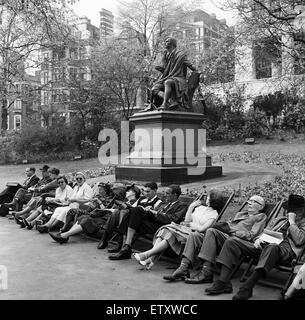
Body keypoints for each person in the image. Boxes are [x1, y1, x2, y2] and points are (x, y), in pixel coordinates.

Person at [163, 195, 267, 283]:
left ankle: (206, 272)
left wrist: (229, 230)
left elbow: (251, 235)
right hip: (224, 236)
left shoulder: (261, 216)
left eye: (254, 202)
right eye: (250, 201)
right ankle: (183, 268)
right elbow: (228, 224)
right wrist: (224, 226)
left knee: (211, 230)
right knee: (195, 235)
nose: (250, 203)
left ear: (261, 206)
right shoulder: (241, 214)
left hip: (235, 240)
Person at [227, 196, 305, 300]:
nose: (290, 213)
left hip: (284, 249)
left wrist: (292, 222)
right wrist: (259, 239)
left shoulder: (303, 223)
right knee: (232, 241)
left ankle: (247, 287)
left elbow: (299, 240)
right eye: (289, 210)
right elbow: (265, 231)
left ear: (301, 211)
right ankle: (223, 281)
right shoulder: (279, 220)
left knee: (272, 247)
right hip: (264, 245)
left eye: (294, 211)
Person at [133, 189, 226, 270]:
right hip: (185, 230)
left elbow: (202, 229)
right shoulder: (201, 208)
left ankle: (147, 255)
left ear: (213, 200)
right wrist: (191, 207)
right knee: (166, 230)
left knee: (169, 232)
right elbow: (187, 220)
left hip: (195, 235)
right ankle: (150, 258)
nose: (206, 198)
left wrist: (192, 225)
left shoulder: (214, 214)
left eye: (208, 197)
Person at [109, 184, 188, 261]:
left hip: (164, 228)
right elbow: (155, 213)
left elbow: (174, 219)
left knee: (133, 215)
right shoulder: (164, 204)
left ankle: (125, 248)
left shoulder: (182, 205)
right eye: (164, 192)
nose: (165, 195)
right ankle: (126, 246)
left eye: (167, 193)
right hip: (153, 223)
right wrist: (149, 210)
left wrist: (156, 213)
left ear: (175, 195)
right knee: (134, 211)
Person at [48, 182, 118, 244]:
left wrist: (99, 202)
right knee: (73, 211)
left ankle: (65, 234)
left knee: (78, 213)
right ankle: (65, 231)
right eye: (98, 189)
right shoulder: (98, 196)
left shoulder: (108, 199)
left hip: (98, 214)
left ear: (105, 191)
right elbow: (91, 205)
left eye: (101, 189)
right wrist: (91, 205)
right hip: (91, 212)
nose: (99, 191)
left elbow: (105, 210)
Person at [102, 182, 162, 254]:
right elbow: (132, 207)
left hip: (143, 222)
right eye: (145, 191)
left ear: (155, 190)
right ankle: (107, 238)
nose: (146, 193)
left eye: (148, 191)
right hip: (132, 219)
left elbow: (155, 215)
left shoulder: (158, 202)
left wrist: (148, 210)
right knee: (118, 212)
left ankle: (120, 243)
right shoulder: (142, 198)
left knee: (123, 213)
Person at [143, 37, 197, 112]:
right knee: (155, 88)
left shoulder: (180, 55)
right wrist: (161, 69)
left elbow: (190, 65)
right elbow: (167, 71)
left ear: (173, 44)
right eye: (165, 41)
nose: (165, 43)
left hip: (178, 78)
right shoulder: (167, 56)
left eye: (167, 41)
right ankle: (171, 102)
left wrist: (198, 71)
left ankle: (164, 104)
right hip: (169, 77)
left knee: (167, 82)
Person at [97, 184, 142, 249]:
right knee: (116, 212)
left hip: (132, 221)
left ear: (134, 193)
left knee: (122, 211)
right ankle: (106, 239)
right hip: (121, 219)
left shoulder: (138, 201)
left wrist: (125, 207)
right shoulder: (125, 201)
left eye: (128, 191)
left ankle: (111, 240)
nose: (126, 192)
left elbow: (137, 211)